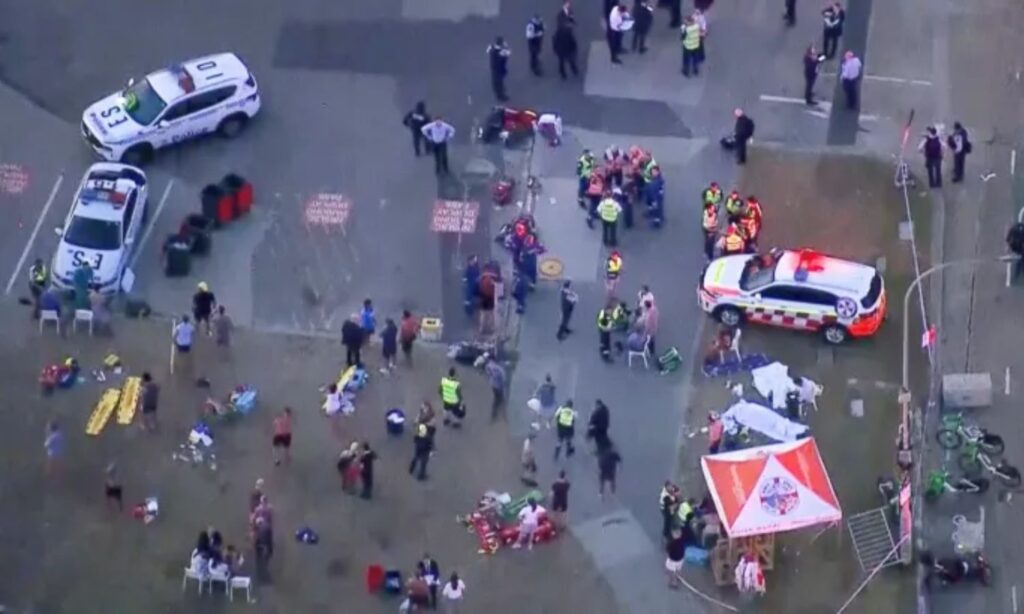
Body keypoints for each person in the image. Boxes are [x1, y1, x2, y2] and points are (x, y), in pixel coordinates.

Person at [553, 1, 580, 80]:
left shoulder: (570, 12)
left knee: (571, 55)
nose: (569, 5)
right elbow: (561, 25)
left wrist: (573, 22)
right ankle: (562, 72)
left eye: (570, 3)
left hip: (569, 38)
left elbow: (572, 20)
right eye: (568, 4)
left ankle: (573, 68)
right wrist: (569, 25)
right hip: (561, 39)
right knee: (561, 58)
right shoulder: (560, 15)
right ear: (564, 4)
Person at [487, 36, 511, 101]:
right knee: (498, 81)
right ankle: (501, 96)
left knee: (496, 80)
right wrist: (506, 47)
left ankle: (499, 91)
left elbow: (488, 51)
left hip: (494, 67)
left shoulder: (491, 47)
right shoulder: (501, 51)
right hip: (499, 68)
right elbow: (508, 53)